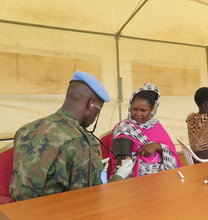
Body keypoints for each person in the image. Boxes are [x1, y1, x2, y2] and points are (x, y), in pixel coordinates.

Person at [9, 71, 132, 201]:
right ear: (91, 103)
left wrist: (93, 167)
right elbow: (90, 201)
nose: (96, 116)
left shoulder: (26, 130)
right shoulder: (81, 142)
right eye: (98, 110)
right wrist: (119, 177)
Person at [111, 83, 182, 177]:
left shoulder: (155, 125)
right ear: (130, 107)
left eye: (143, 110)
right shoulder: (124, 127)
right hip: (137, 178)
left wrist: (158, 146)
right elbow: (123, 162)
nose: (138, 114)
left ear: (152, 109)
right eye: (134, 109)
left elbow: (171, 151)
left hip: (162, 173)